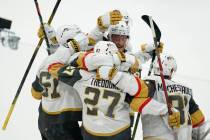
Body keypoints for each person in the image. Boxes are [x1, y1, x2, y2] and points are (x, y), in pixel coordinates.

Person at [46, 41, 180, 140]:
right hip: (120, 133)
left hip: (91, 133)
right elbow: (138, 102)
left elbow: (53, 67)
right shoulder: (123, 79)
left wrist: (77, 56)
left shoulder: (80, 76)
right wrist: (165, 110)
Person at [31, 23, 84, 140]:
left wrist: (51, 40)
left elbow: (35, 93)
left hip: (44, 120)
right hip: (63, 124)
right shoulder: (75, 63)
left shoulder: (47, 63)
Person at [140, 55, 205, 140]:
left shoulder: (149, 81)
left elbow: (135, 98)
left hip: (155, 136)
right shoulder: (186, 89)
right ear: (171, 70)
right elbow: (199, 120)